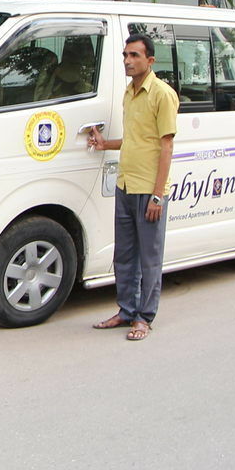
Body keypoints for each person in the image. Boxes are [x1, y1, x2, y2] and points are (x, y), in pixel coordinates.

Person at [85, 33, 179, 341]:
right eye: (125, 55)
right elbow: (136, 141)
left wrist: (157, 194)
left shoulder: (162, 94)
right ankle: (126, 310)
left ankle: (144, 317)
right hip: (125, 184)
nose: (127, 60)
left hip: (149, 189)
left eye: (134, 55)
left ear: (150, 61)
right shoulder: (129, 92)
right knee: (125, 255)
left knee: (149, 257)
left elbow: (166, 146)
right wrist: (104, 144)